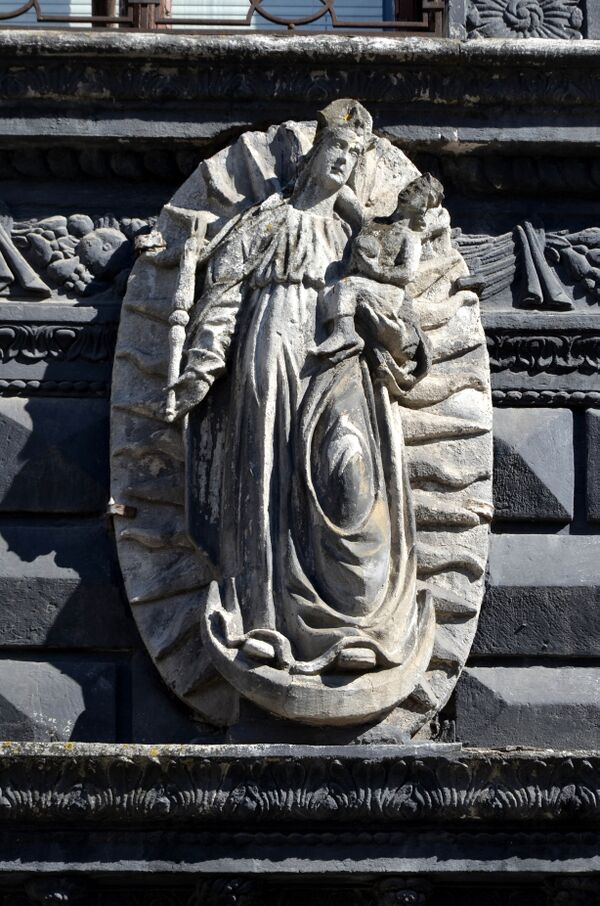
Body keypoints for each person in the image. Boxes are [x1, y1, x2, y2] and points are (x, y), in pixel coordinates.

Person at [169, 100, 428, 678]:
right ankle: (263, 621)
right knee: (267, 479)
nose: (343, 162)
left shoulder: (358, 233)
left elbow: (396, 306)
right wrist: (202, 369)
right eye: (337, 149)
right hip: (272, 347)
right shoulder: (269, 220)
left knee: (352, 475)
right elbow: (224, 297)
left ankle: (357, 622)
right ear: (315, 152)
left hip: (341, 364)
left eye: (354, 156)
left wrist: (398, 337)